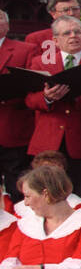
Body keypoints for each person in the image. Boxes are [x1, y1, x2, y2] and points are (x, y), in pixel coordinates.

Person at [24, 16, 81, 200]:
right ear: (55, 40)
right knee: (45, 194)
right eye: (67, 33)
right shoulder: (41, 63)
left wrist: (79, 97)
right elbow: (29, 100)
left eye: (78, 32)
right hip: (49, 140)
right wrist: (46, 98)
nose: (73, 36)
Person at [0, 11, 34, 200]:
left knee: (17, 192)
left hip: (12, 128)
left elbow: (32, 86)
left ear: (7, 26)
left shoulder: (25, 50)